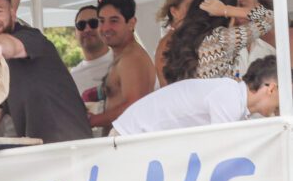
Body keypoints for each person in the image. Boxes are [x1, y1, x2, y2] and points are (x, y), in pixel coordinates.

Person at [0, 0, 92, 144]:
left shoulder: (31, 37)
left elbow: (10, 45)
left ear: (13, 14)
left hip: (73, 144)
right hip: (40, 152)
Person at [112, 55, 281, 136]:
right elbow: (222, 149)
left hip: (135, 136)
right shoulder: (229, 96)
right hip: (129, 136)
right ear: (271, 89)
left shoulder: (233, 95)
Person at [163, 0, 273, 83]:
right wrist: (226, 9)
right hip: (214, 103)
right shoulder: (222, 38)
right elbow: (270, 17)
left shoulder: (182, 37)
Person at [88, 0, 156, 134]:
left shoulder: (132, 58)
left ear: (131, 23)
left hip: (128, 148)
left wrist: (92, 120)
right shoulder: (123, 55)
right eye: (101, 21)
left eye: (114, 21)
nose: (105, 28)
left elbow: (134, 106)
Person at [154, 0, 201, 87]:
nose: (197, 11)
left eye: (200, 6)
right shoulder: (167, 44)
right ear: (174, 11)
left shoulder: (196, 39)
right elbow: (167, 87)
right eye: (191, 6)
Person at [228, 0, 276, 77]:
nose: (236, 12)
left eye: (242, 5)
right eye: (232, 6)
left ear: (257, 7)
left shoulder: (269, 52)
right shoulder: (216, 47)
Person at [70, 5, 113, 96]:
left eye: (93, 23)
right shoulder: (72, 77)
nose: (87, 29)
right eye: (81, 25)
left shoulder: (123, 62)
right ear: (75, 32)